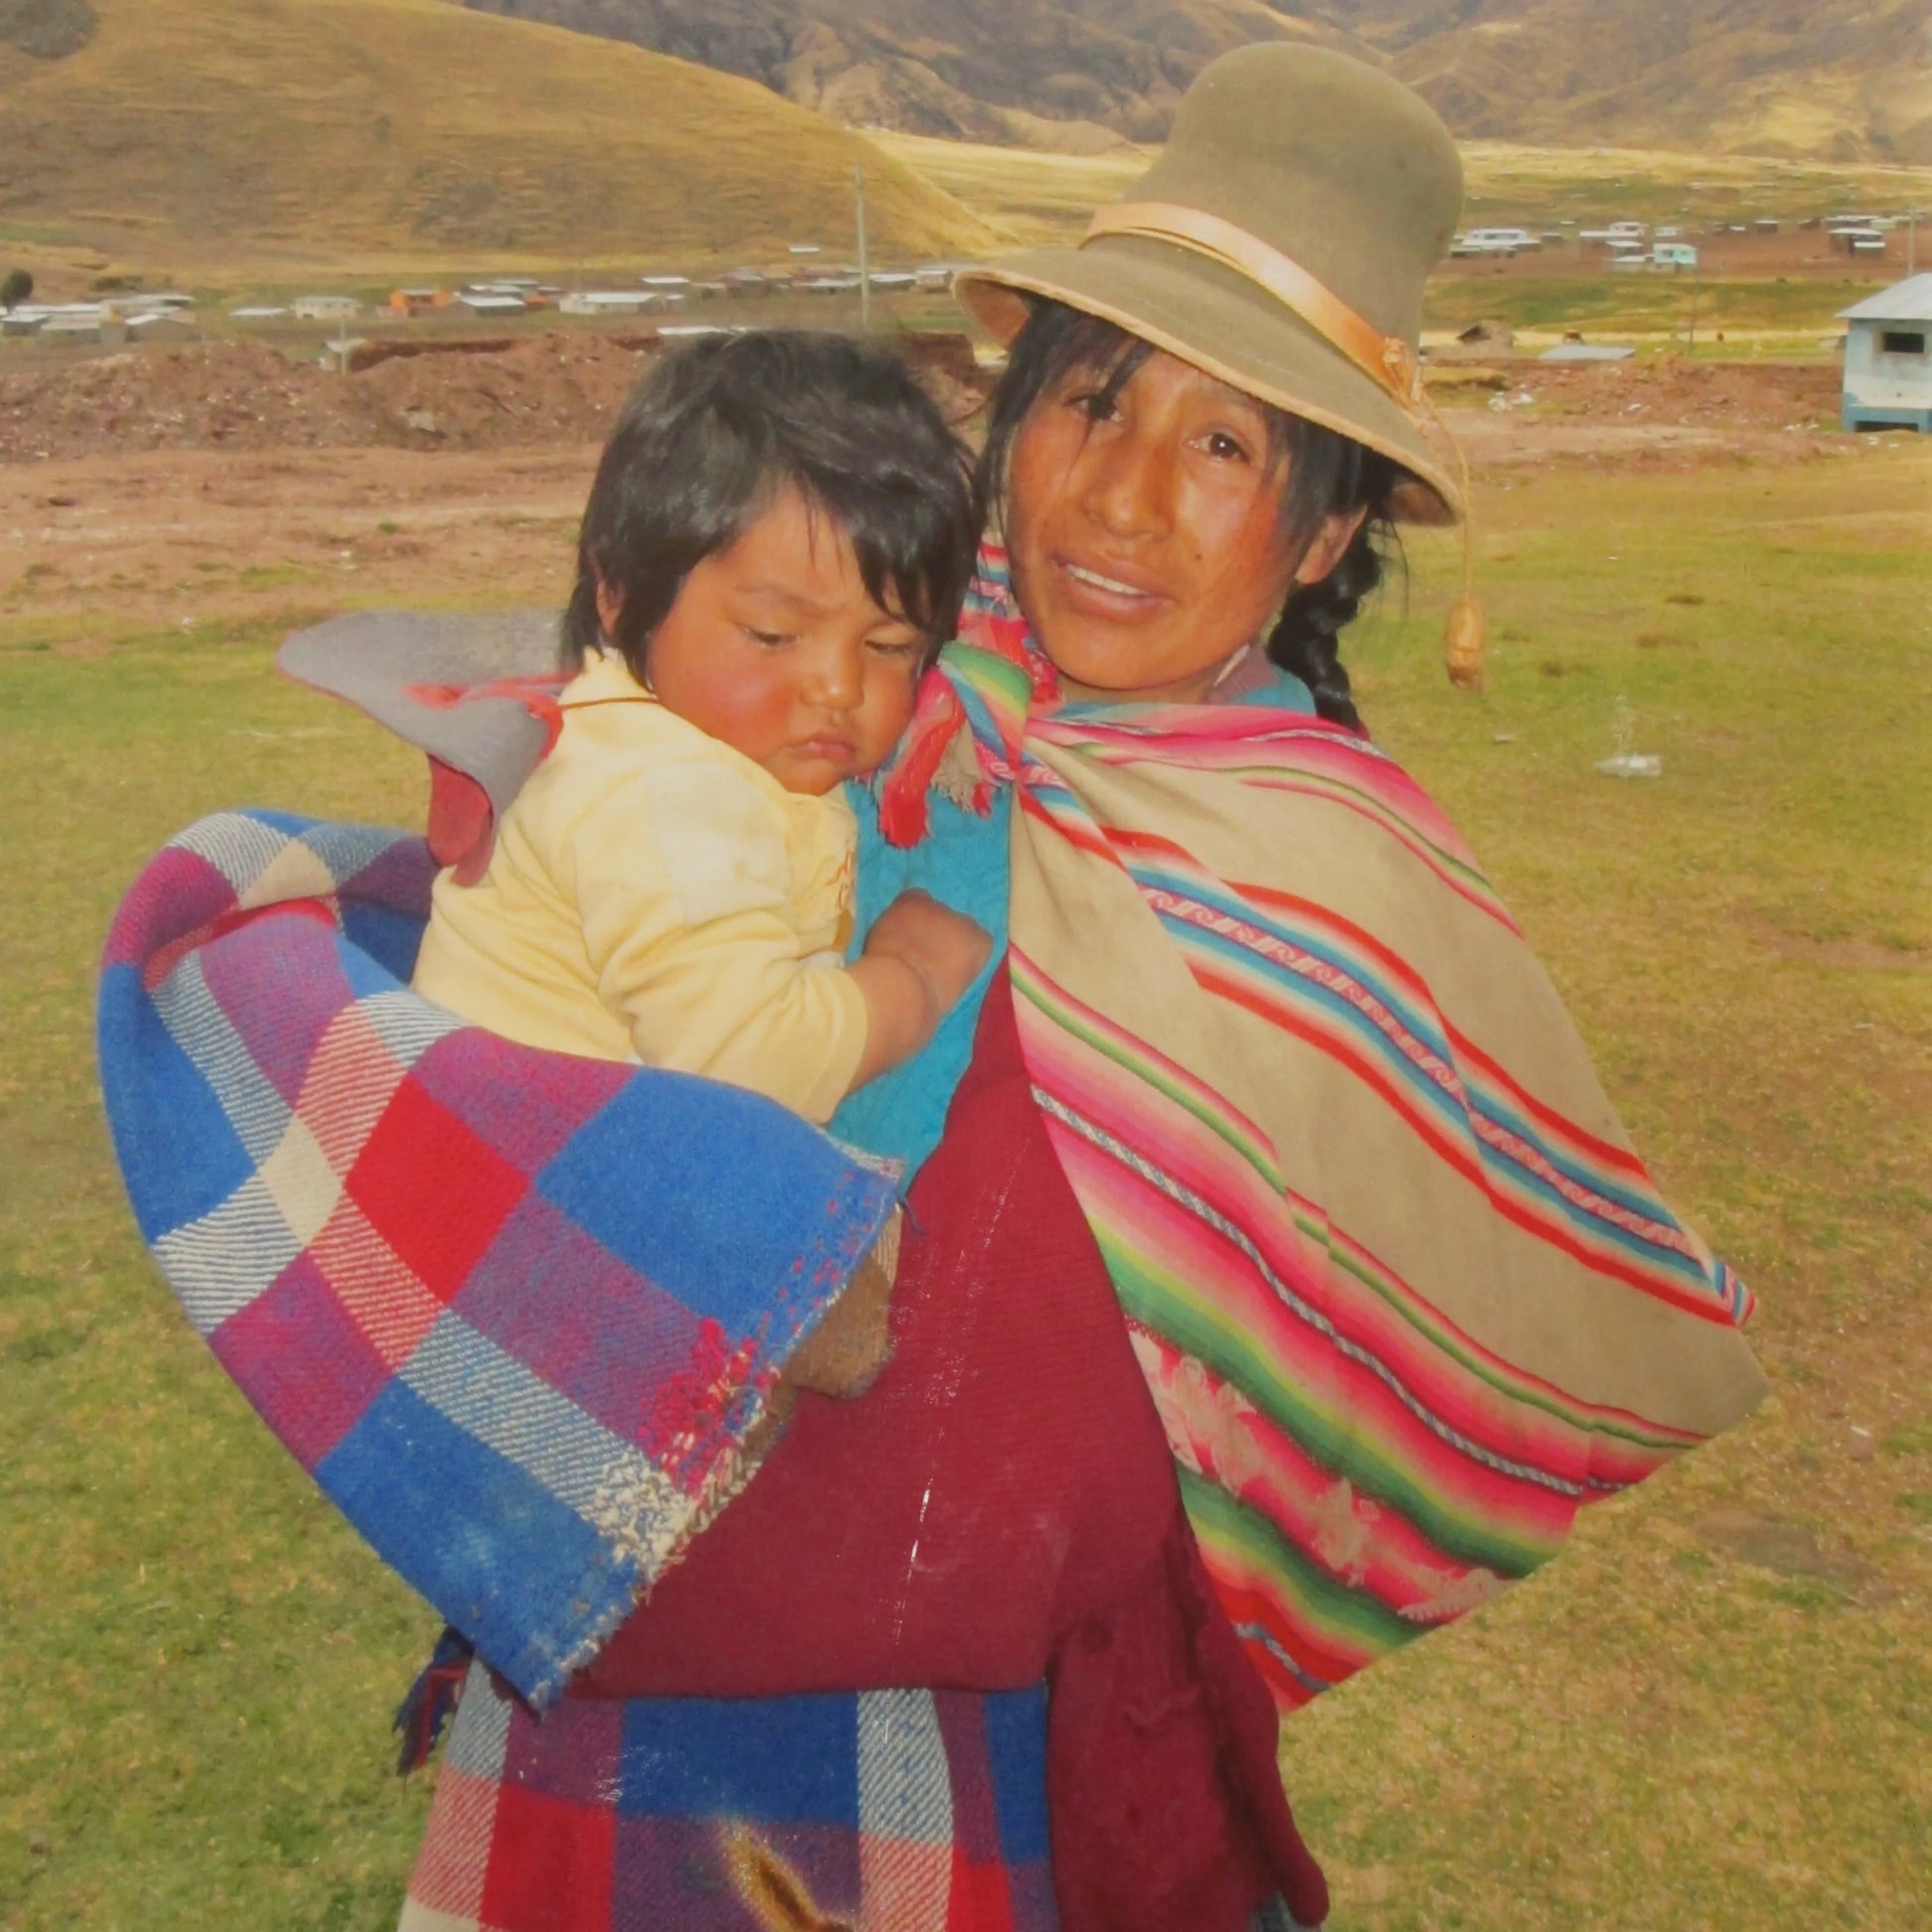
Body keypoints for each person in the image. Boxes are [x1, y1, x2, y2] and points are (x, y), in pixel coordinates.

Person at [96, 43, 1765, 1932]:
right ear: (1012, 419)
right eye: (1092, 403)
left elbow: (1081, 1434)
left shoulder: (1321, 893)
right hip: (619, 1730)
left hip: (980, 1750)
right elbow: (603, 877)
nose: (1120, 501)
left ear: (1320, 534)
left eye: (1223, 448)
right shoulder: (885, 682)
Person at [413, 330, 991, 1124]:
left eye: (891, 647)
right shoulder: (664, 793)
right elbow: (751, 1066)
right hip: (554, 1197)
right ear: (619, 593)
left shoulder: (685, 746)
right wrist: (909, 980)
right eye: (772, 634)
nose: (837, 685)